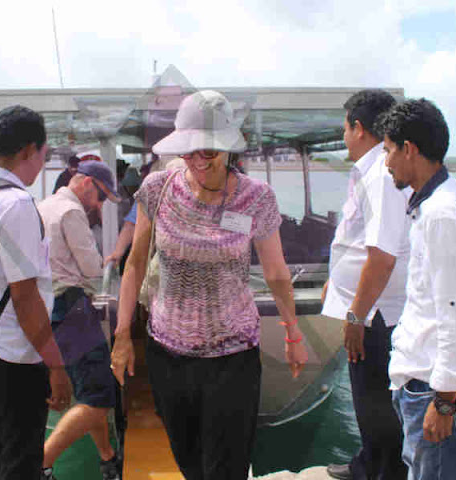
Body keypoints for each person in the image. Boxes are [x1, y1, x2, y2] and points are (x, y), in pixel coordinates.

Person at [110, 90, 308, 480]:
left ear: (228, 149)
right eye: (189, 151)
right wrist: (121, 336)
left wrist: (293, 331)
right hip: (168, 355)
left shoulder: (256, 198)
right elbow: (134, 264)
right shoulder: (157, 187)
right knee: (189, 463)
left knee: (225, 471)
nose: (198, 160)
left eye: (209, 151)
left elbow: (276, 274)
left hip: (232, 358)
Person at [382, 99, 456, 479]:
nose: (386, 163)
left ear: (409, 149)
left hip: (430, 387)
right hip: (420, 381)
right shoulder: (447, 197)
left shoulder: (442, 213)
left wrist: (445, 402)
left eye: (388, 151)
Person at [0, 105, 72, 479]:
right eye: (44, 152)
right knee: (21, 458)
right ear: (29, 150)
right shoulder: (15, 204)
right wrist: (57, 365)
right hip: (17, 352)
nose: (44, 161)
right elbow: (25, 297)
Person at [323, 89, 409, 480]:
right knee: (367, 395)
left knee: (374, 396)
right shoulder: (372, 171)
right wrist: (335, 282)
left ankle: (382, 471)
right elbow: (355, 240)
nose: (344, 136)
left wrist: (355, 314)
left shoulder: (381, 175)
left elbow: (381, 255)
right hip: (366, 304)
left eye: (345, 127)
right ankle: (369, 462)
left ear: (358, 128)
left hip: (376, 311)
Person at [38, 160, 122, 480]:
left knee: (89, 393)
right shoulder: (71, 213)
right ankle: (41, 462)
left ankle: (108, 458)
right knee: (101, 396)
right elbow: (92, 268)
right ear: (86, 182)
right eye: (101, 197)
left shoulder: (43, 206)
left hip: (47, 307)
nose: (100, 204)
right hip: (72, 306)